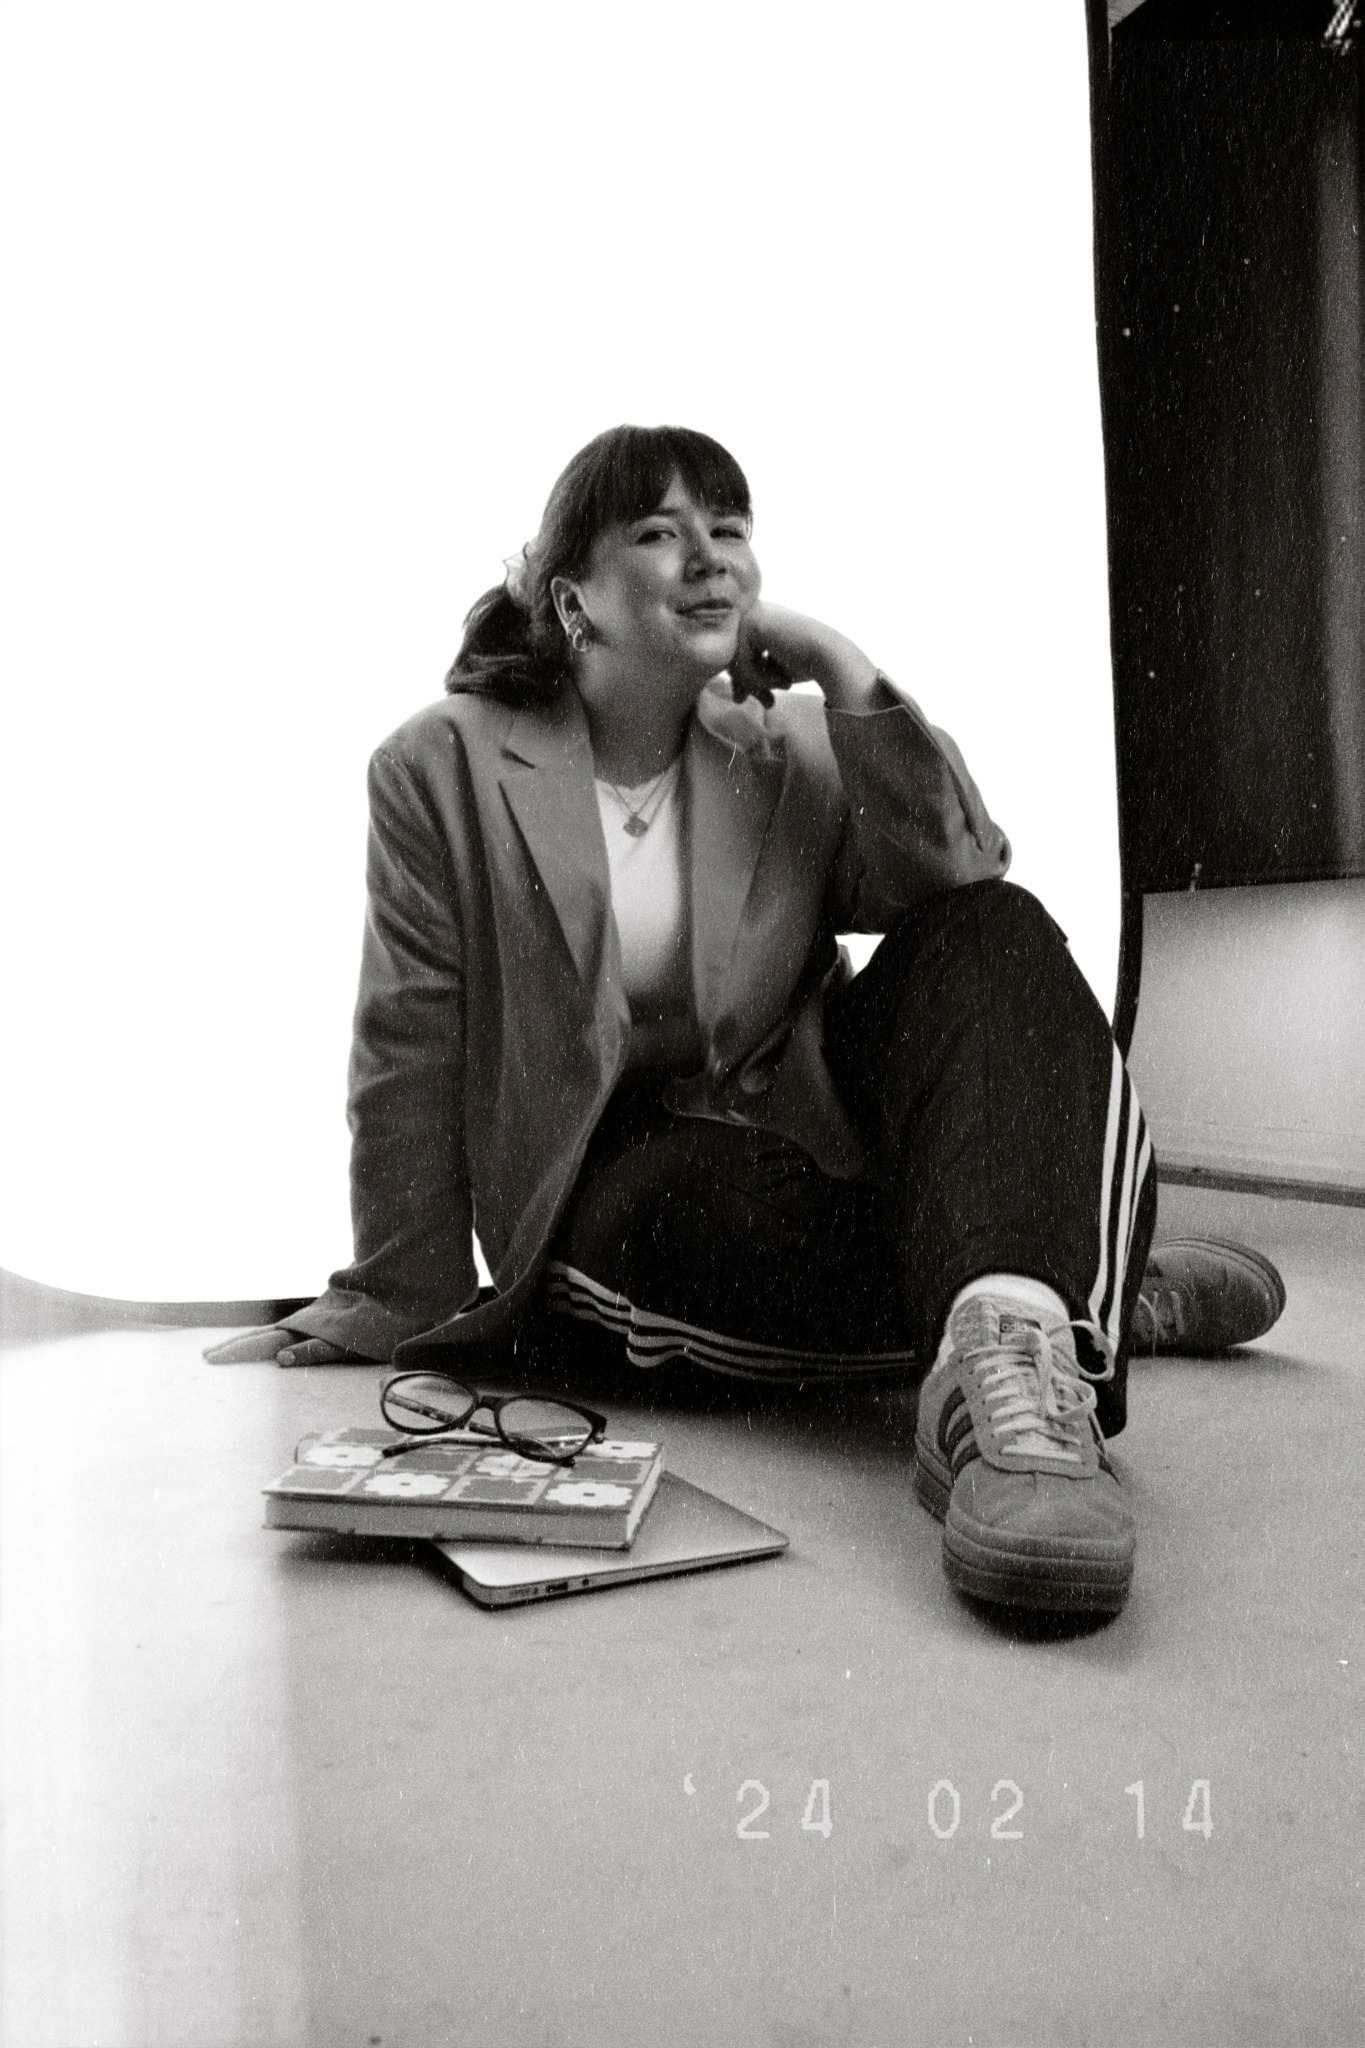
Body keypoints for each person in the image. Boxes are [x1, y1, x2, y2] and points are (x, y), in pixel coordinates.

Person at [210, 424, 1285, 1616]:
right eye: (658, 532)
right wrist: (395, 1291)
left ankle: (1019, 1352)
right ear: (573, 599)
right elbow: (412, 1038)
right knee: (682, 1216)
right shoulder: (439, 765)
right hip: (619, 1179)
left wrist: (847, 672)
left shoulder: (796, 746)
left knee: (995, 925)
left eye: (728, 528)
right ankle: (1077, 1283)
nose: (708, 556)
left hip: (812, 1128)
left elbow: (961, 874)